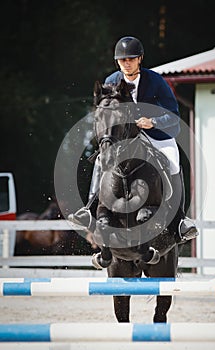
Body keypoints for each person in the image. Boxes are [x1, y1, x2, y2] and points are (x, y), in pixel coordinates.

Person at [69, 36, 198, 244]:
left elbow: (174, 117)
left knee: (173, 161)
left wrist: (153, 122)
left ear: (140, 59)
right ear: (117, 62)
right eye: (122, 60)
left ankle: (180, 221)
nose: (126, 63)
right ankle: (89, 209)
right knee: (102, 161)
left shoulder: (155, 81)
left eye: (130, 59)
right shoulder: (111, 81)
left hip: (155, 134)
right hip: (125, 137)